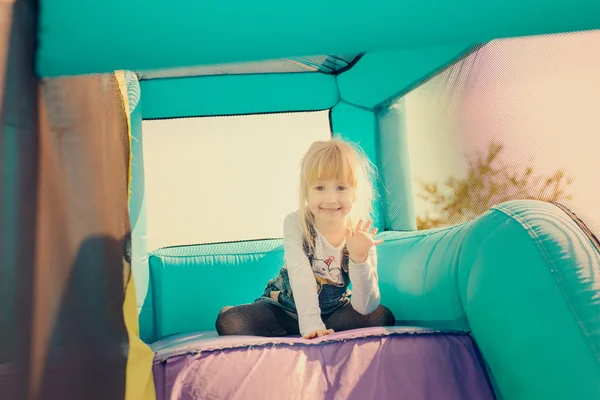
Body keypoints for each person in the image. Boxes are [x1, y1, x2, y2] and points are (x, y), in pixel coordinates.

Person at [215, 138, 395, 339]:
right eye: (320, 188)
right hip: (285, 311)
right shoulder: (296, 223)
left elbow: (365, 306)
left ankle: (317, 326)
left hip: (332, 313)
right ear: (307, 192)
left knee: (381, 316)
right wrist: (311, 325)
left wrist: (359, 258)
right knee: (230, 322)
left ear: (354, 192)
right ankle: (297, 325)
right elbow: (300, 274)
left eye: (341, 188)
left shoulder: (361, 234)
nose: (330, 198)